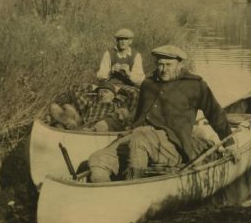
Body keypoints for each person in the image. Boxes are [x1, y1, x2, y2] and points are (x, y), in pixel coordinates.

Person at [88, 45, 236, 182]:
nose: (163, 69)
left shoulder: (195, 85)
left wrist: (229, 143)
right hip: (139, 135)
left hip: (173, 143)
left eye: (168, 65)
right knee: (97, 158)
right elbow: (137, 115)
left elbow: (215, 113)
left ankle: (134, 192)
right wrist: (110, 122)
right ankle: (104, 197)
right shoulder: (148, 84)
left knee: (138, 142)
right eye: (160, 64)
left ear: (180, 64)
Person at [49, 81, 139, 131]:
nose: (101, 94)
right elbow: (73, 90)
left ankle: (69, 129)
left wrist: (119, 88)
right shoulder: (91, 103)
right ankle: (70, 126)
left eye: (105, 92)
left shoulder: (118, 105)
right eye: (99, 92)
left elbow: (135, 94)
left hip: (101, 130)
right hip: (83, 127)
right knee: (56, 107)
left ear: (113, 95)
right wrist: (91, 87)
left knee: (123, 113)